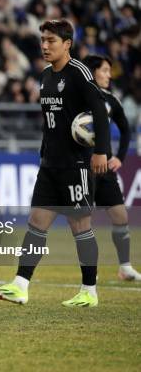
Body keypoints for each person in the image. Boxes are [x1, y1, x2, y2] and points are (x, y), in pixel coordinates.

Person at [0, 19, 111, 308]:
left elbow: (100, 115)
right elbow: (49, 123)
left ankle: (89, 291)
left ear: (67, 44)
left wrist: (101, 151)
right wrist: (44, 153)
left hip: (76, 164)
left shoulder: (79, 73)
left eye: (51, 40)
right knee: (36, 224)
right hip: (50, 164)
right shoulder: (45, 76)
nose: (44, 45)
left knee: (80, 226)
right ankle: (20, 285)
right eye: (42, 39)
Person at [82, 54, 140, 281]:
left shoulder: (109, 100)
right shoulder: (76, 97)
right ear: (93, 72)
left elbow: (126, 130)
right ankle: (88, 274)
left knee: (120, 215)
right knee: (82, 221)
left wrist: (120, 157)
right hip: (81, 167)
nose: (108, 75)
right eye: (105, 70)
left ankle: (125, 267)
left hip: (104, 167)